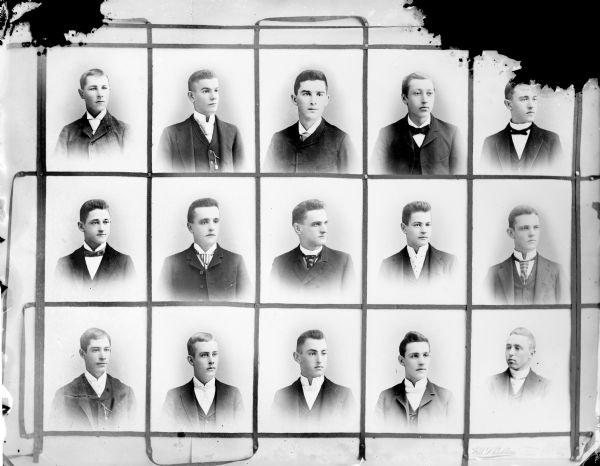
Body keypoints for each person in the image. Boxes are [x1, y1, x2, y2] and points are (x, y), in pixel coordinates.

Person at [263, 69, 357, 173]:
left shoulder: (341, 140)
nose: (313, 101)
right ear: (294, 99)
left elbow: (351, 185)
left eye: (319, 94)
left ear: (327, 99)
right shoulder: (279, 140)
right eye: (306, 94)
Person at [371, 72, 464, 175]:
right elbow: (376, 176)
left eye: (429, 93)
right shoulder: (387, 134)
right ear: (404, 98)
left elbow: (460, 179)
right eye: (417, 93)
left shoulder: (452, 133)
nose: (424, 100)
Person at [159, 198, 250, 301]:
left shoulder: (236, 261)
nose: (211, 227)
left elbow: (246, 304)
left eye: (215, 221)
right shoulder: (171, 263)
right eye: (204, 222)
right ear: (190, 227)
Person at [157, 69, 244, 172]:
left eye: (216, 90)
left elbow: (242, 178)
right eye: (206, 91)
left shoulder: (233, 133)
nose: (213, 97)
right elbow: (162, 178)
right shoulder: (170, 134)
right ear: (191, 96)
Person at [50, 328, 136, 430]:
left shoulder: (126, 393)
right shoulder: (63, 395)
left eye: (106, 350)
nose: (103, 356)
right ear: (82, 353)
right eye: (95, 350)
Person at [269, 199, 354, 301]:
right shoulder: (280, 263)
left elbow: (349, 303)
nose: (324, 230)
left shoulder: (343, 261)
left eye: (325, 223)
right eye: (316, 224)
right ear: (298, 229)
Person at [271, 329, 355, 431]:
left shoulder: (344, 395)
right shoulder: (281, 396)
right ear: (297, 357)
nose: (319, 360)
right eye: (312, 353)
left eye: (323, 353)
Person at [161, 332, 244, 432]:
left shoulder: (233, 395)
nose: (211, 360)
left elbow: (241, 440)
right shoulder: (174, 397)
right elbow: (165, 440)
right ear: (191, 360)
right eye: (204, 355)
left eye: (214, 354)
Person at [484, 205, 565, 304]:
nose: (532, 233)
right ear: (510, 233)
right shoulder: (494, 273)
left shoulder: (556, 271)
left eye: (536, 227)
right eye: (525, 228)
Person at [54, 199, 135, 297]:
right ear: (81, 226)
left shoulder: (124, 263)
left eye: (105, 222)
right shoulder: (65, 264)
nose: (102, 228)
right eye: (95, 222)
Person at [374, 331, 453, 431]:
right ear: (401, 360)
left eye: (425, 355)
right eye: (414, 356)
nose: (422, 362)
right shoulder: (385, 397)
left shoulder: (446, 398)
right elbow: (376, 441)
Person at [480, 79, 563, 173]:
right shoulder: (490, 143)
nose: (531, 105)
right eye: (524, 99)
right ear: (508, 104)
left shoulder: (552, 140)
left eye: (534, 99)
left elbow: (559, 183)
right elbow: (485, 184)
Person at [378, 201, 457, 297]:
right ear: (404, 228)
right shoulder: (387, 265)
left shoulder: (450, 262)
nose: (424, 231)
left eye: (427, 224)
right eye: (417, 225)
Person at [54, 68, 130, 161]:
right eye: (93, 88)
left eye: (104, 88)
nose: (100, 94)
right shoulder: (67, 132)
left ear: (109, 91)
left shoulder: (124, 131)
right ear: (82, 94)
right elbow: (57, 169)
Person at [488, 327, 549, 404]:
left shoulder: (545, 387)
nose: (511, 353)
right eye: (508, 347)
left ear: (531, 353)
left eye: (517, 348)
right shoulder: (490, 383)